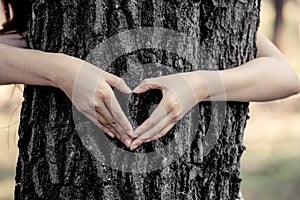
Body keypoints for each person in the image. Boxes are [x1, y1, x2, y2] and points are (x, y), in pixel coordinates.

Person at [0, 1, 299, 199]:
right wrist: (62, 71)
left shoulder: (208, 11)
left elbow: (285, 74)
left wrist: (200, 85)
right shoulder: (45, 19)